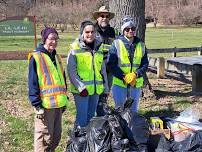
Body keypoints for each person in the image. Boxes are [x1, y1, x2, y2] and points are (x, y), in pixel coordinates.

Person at [28, 27, 68, 152]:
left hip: (58, 104)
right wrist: (37, 105)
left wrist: (65, 99)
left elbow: (62, 80)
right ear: (44, 39)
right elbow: (32, 83)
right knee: (44, 138)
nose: (54, 42)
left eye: (56, 39)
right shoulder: (36, 57)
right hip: (44, 106)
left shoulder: (57, 57)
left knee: (56, 137)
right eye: (51, 39)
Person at [67, 20, 109, 127]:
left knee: (91, 117)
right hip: (82, 91)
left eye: (92, 32)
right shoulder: (75, 48)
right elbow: (71, 70)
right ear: (82, 33)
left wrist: (106, 87)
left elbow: (102, 69)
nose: (90, 34)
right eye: (87, 32)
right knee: (82, 118)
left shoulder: (99, 47)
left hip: (95, 90)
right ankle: (78, 141)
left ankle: (88, 140)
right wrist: (81, 87)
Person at [107, 16, 149, 112]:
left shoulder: (141, 45)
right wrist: (124, 76)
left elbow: (145, 64)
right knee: (120, 109)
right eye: (127, 29)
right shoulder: (116, 44)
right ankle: (121, 127)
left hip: (135, 84)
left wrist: (136, 74)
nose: (130, 30)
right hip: (120, 83)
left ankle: (131, 126)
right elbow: (111, 64)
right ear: (123, 30)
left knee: (133, 110)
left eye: (133, 28)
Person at [93, 5, 119, 116]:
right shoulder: (92, 30)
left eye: (106, 16)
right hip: (96, 67)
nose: (104, 18)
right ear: (97, 17)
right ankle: (94, 114)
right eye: (102, 16)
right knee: (96, 91)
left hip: (110, 66)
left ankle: (102, 112)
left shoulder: (113, 32)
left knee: (106, 91)